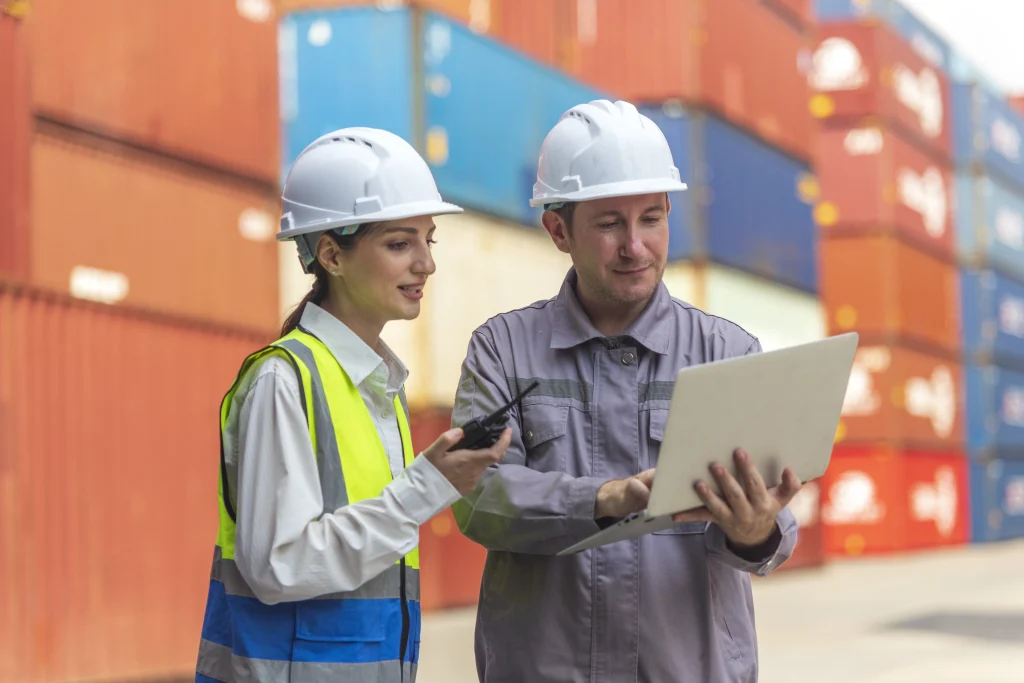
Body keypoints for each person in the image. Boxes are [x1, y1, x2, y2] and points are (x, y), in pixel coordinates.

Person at [451, 100, 803, 683]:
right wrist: (604, 498)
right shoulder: (504, 350)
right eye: (609, 223)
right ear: (558, 230)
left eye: (651, 219)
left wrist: (756, 529)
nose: (635, 246)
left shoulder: (728, 352)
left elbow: (774, 528)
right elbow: (478, 498)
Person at [194, 127, 511, 683]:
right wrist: (426, 487)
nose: (425, 265)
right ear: (332, 254)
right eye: (399, 243)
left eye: (427, 240)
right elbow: (277, 566)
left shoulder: (376, 386)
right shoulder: (283, 381)